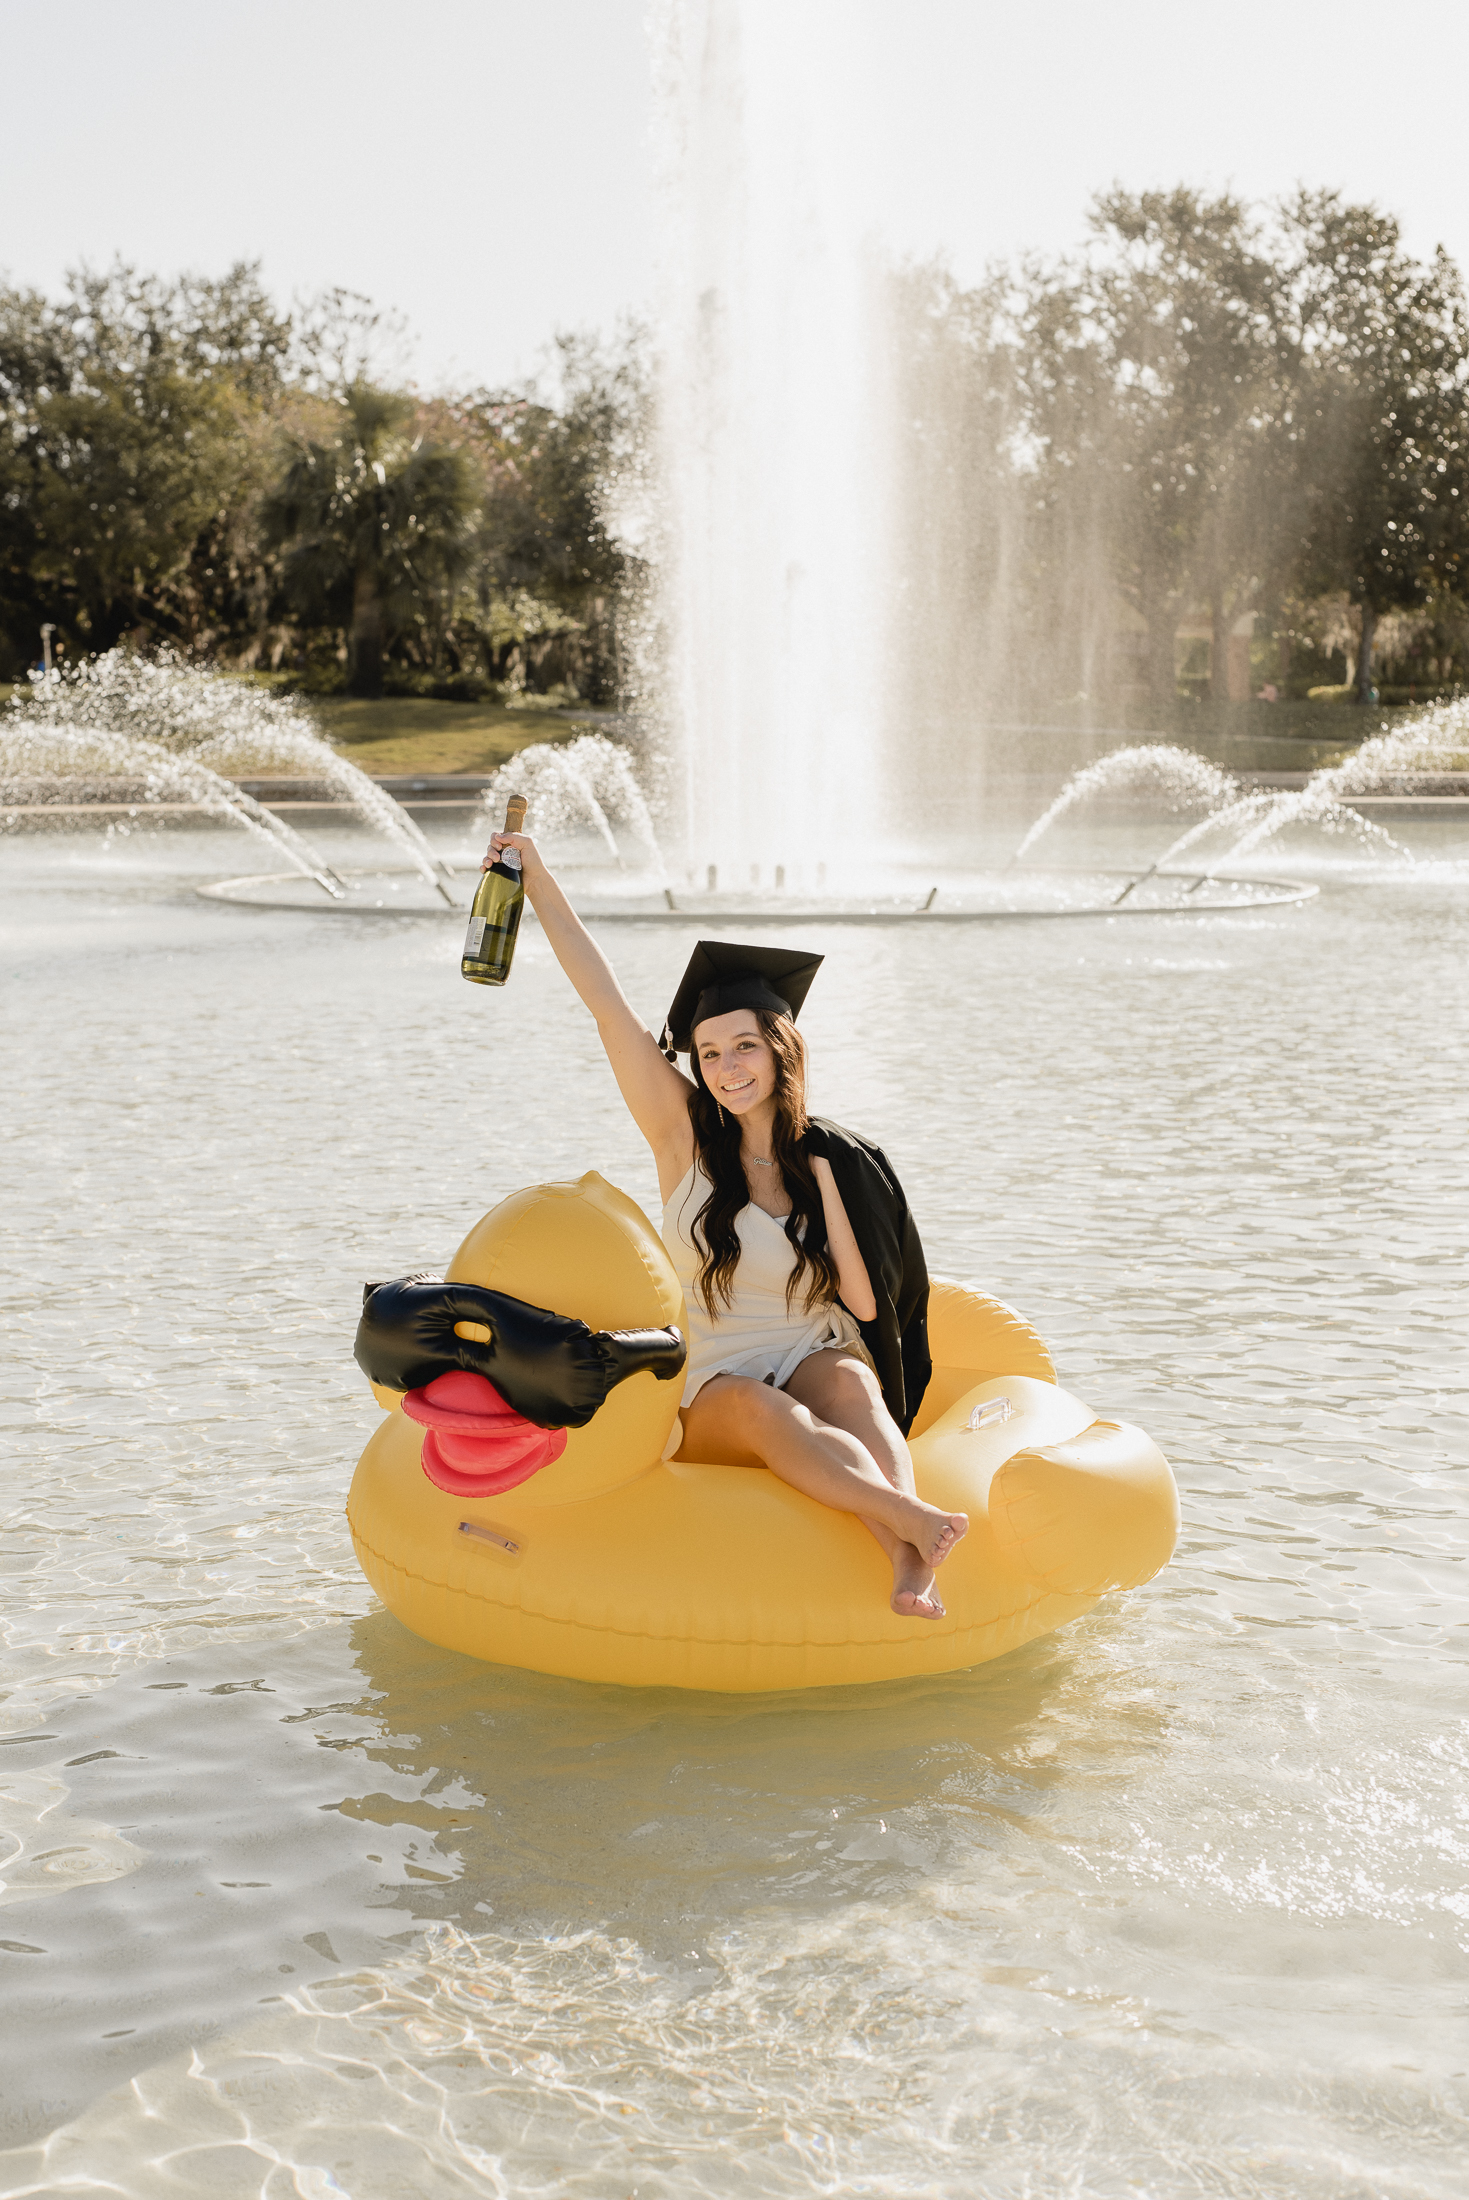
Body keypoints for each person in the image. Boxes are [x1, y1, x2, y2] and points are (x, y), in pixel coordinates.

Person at [480, 826, 968, 1619]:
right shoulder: (684, 1142)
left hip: (808, 1345)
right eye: (707, 1054)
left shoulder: (828, 1161)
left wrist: (825, 1179)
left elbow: (868, 1308)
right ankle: (912, 1527)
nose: (725, 1067)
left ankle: (912, 1568)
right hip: (716, 1377)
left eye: (743, 1046)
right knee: (761, 1410)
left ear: (780, 1052)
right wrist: (533, 878)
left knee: (852, 1389)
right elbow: (606, 1006)